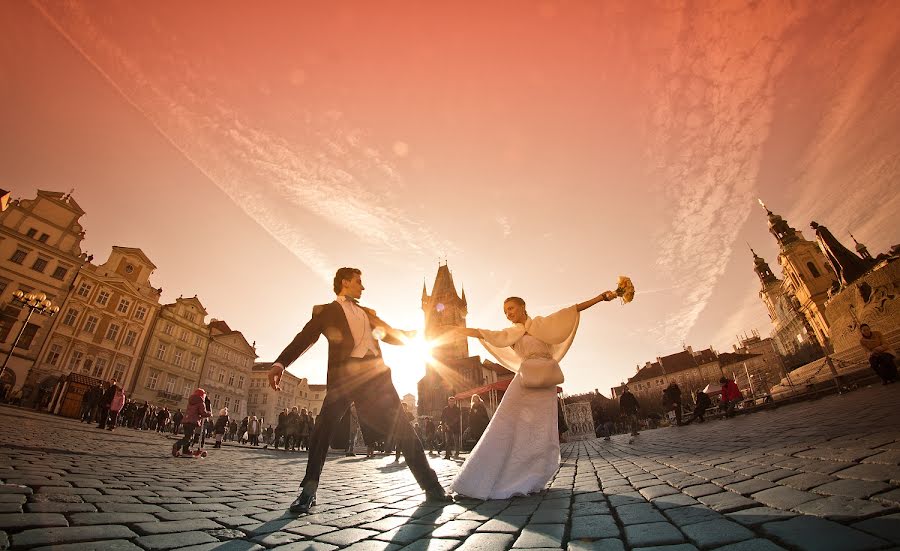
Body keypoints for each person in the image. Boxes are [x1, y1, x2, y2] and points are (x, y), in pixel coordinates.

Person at [267, 267, 451, 513]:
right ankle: (308, 491)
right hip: (344, 376)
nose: (362, 287)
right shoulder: (326, 311)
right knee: (323, 429)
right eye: (358, 282)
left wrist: (417, 334)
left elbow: (392, 335)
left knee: (404, 428)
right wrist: (280, 363)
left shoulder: (368, 312)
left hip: (376, 376)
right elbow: (305, 337)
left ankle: (432, 487)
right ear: (345, 282)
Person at [449, 287, 622, 499]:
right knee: (504, 423)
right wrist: (459, 330)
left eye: (511, 308)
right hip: (524, 379)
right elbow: (484, 333)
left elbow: (573, 310)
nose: (508, 313)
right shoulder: (510, 333)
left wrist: (600, 298)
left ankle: (530, 475)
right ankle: (480, 476)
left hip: (546, 381)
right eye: (505, 311)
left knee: (540, 429)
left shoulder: (543, 324)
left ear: (522, 307)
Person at [172, 388, 211, 456]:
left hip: (186, 421)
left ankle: (185, 451)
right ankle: (177, 445)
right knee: (189, 438)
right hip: (192, 422)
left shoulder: (191, 401)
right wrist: (209, 414)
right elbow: (203, 413)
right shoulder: (201, 402)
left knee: (188, 436)